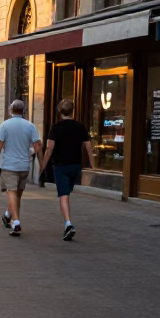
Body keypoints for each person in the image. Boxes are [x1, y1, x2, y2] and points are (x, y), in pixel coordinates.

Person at [40, 99, 93, 241]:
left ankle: (68, 224)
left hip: (60, 166)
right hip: (75, 165)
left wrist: (43, 165)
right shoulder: (80, 127)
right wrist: (93, 165)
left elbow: (49, 149)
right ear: (73, 111)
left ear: (59, 111)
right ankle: (67, 222)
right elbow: (88, 147)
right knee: (67, 192)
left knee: (63, 195)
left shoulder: (56, 128)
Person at [0, 100, 42, 237]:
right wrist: (41, 163)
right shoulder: (30, 126)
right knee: (17, 194)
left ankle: (16, 222)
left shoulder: (5, 125)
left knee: (12, 193)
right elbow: (38, 146)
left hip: (9, 165)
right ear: (23, 111)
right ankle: (8, 215)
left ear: (10, 110)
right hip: (24, 165)